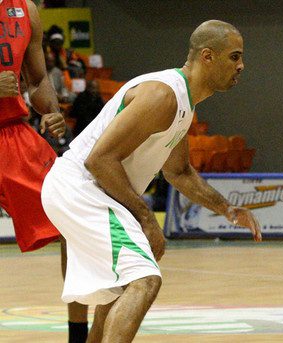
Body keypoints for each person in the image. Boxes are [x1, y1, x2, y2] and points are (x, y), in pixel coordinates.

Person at [41, 20, 262, 342]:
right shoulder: (163, 95)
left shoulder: (184, 104)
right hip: (80, 188)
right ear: (207, 56)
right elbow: (99, 160)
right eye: (234, 56)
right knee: (145, 280)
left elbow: (179, 172)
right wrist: (146, 218)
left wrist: (227, 208)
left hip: (94, 191)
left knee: (122, 285)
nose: (241, 66)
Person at [0, 1, 89, 341]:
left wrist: (50, 109)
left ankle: (77, 335)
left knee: (74, 218)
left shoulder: (25, 10)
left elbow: (37, 80)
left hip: (12, 133)